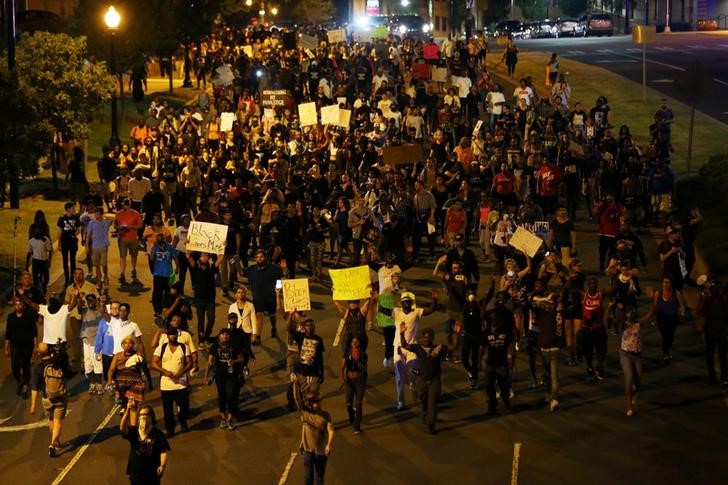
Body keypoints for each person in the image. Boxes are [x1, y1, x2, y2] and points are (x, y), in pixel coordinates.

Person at [399, 326, 461, 434]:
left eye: (429, 338)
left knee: (432, 403)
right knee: (423, 400)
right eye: (425, 338)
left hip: (434, 380)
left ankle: (431, 424)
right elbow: (404, 345)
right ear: (422, 338)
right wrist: (401, 334)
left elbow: (453, 347)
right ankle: (424, 411)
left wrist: (457, 334)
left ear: (432, 338)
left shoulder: (439, 348)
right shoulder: (418, 348)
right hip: (422, 380)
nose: (426, 340)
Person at [392, 291, 438, 410]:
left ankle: (413, 385)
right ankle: (400, 401)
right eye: (404, 302)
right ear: (401, 304)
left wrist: (435, 301)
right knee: (400, 377)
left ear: (411, 303)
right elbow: (384, 311)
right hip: (399, 348)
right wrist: (376, 300)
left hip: (412, 348)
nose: (406, 304)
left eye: (408, 302)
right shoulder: (396, 312)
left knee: (414, 372)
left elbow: (431, 310)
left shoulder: (417, 312)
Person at [29, 342, 73, 457]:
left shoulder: (38, 368)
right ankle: (53, 443)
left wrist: (33, 404)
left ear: (39, 352)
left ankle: (56, 442)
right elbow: (69, 374)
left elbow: (34, 387)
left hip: (47, 398)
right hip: (61, 396)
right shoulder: (58, 363)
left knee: (51, 419)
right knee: (58, 421)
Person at [151, 327, 192, 437]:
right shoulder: (161, 348)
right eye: (170, 334)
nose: (172, 336)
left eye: (174, 334)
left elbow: (189, 363)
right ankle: (170, 429)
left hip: (181, 383)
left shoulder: (184, 347)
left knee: (184, 406)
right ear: (167, 336)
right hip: (166, 384)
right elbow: (153, 363)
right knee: (167, 410)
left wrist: (181, 372)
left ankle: (182, 421)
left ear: (177, 335)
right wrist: (164, 371)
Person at [292, 379, 334, 485]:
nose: (317, 403)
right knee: (308, 478)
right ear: (310, 403)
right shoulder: (305, 412)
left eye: (318, 400)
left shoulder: (326, 415)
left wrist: (328, 445)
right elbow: (297, 398)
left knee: (319, 478)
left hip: (321, 451)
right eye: (315, 401)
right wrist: (295, 384)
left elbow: (331, 430)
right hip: (308, 452)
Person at [205, 328, 248, 430]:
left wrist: (234, 361)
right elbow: (210, 362)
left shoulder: (234, 346)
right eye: (223, 334)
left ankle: (230, 418)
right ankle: (223, 418)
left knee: (231, 395)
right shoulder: (215, 347)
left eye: (227, 334)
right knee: (222, 396)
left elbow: (241, 358)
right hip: (219, 375)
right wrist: (206, 376)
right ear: (219, 336)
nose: (225, 336)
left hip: (231, 375)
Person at [120, 402, 170, 485]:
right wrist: (128, 410)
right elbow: (122, 428)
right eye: (140, 415)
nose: (142, 417)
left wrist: (162, 465)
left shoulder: (158, 434)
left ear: (151, 416)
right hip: (136, 473)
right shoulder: (135, 432)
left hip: (152, 473)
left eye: (145, 414)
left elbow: (163, 451)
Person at [643, 277, 685, 363]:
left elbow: (682, 305)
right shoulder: (658, 293)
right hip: (661, 318)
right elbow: (654, 307)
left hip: (673, 318)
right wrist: (653, 318)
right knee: (665, 335)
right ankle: (666, 351)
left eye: (668, 282)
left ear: (671, 283)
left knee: (670, 335)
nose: (666, 284)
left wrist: (682, 312)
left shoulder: (676, 293)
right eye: (664, 282)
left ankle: (667, 349)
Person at [243, 250, 283, 340]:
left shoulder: (274, 268)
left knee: (272, 315)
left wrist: (278, 290)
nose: (259, 259)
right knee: (259, 315)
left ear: (266, 258)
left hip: (270, 297)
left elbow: (279, 279)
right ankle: (258, 336)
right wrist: (236, 261)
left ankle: (273, 327)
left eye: (261, 257)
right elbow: (242, 273)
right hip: (258, 298)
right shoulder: (252, 269)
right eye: (257, 257)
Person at [109, 335, 150, 421]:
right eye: (126, 343)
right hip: (121, 385)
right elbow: (111, 370)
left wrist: (149, 381)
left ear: (133, 344)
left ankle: (133, 424)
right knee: (125, 404)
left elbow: (145, 368)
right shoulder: (117, 356)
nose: (128, 345)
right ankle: (126, 420)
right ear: (122, 345)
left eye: (130, 343)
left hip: (134, 385)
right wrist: (110, 381)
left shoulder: (138, 355)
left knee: (132, 405)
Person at [696, 277, 728, 386]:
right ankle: (712, 376)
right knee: (711, 355)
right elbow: (699, 311)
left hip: (721, 332)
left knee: (722, 356)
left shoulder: (724, 300)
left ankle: (724, 377)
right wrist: (703, 298)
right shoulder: (708, 298)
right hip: (710, 332)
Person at [620, 307, 652, 417]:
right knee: (629, 378)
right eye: (628, 312)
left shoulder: (639, 324)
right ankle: (629, 406)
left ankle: (634, 391)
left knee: (638, 380)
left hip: (637, 355)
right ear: (625, 314)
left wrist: (653, 299)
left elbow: (650, 314)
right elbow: (614, 322)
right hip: (626, 354)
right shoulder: (622, 324)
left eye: (632, 311)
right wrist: (611, 307)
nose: (631, 313)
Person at [5, 297, 38, 398]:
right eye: (16, 304)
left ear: (23, 305)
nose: (18, 306)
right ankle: (19, 380)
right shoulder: (10, 317)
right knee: (15, 365)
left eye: (20, 304)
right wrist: (6, 348)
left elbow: (34, 332)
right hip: (15, 345)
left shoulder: (29, 316)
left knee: (25, 365)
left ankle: (25, 386)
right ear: (14, 306)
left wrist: (35, 346)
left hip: (27, 345)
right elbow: (8, 334)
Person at [289, 317, 325, 403]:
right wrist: (291, 316)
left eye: (311, 325)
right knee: (304, 397)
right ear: (304, 327)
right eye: (307, 325)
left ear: (314, 327)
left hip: (314, 372)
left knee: (313, 396)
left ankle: (314, 412)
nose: (309, 327)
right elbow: (290, 329)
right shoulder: (300, 337)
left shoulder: (318, 339)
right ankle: (308, 415)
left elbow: (320, 357)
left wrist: (322, 373)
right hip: (302, 372)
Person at [340, 336, 367, 434]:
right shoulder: (347, 353)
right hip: (349, 381)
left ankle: (357, 426)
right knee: (348, 404)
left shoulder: (363, 354)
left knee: (358, 403)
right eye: (353, 342)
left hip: (360, 380)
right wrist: (342, 379)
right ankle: (351, 414)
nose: (355, 343)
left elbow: (364, 369)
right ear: (351, 343)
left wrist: (357, 361)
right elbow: (342, 366)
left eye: (357, 342)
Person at [114, 198, 144, 284]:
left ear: (130, 205)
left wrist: (131, 227)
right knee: (122, 256)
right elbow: (115, 225)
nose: (124, 207)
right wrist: (119, 227)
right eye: (123, 205)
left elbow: (140, 226)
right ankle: (122, 273)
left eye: (126, 205)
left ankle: (133, 269)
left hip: (133, 238)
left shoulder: (135, 214)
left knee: (134, 255)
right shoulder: (118, 214)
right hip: (122, 238)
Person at [149, 232, 178, 319]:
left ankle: (167, 309)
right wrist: (154, 249)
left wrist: (177, 267)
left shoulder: (170, 247)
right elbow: (151, 259)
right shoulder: (154, 247)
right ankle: (157, 310)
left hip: (168, 274)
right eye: (158, 238)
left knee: (168, 293)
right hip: (158, 274)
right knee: (157, 293)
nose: (160, 240)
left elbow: (175, 257)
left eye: (162, 238)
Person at [85, 207, 113, 291]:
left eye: (97, 214)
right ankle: (99, 281)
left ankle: (106, 277)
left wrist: (105, 216)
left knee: (104, 264)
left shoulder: (106, 222)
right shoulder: (92, 223)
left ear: (101, 214)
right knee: (97, 265)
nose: (96, 215)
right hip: (95, 246)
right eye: (95, 213)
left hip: (104, 246)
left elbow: (114, 217)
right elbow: (88, 235)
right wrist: (87, 246)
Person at [56, 202, 82, 287]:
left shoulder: (76, 218)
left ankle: (72, 278)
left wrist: (76, 233)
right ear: (68, 209)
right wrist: (59, 243)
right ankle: (67, 278)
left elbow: (79, 228)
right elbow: (59, 231)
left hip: (73, 241)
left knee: (73, 260)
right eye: (72, 208)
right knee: (65, 261)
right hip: (65, 241)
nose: (74, 209)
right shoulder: (61, 218)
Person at [26, 225, 53, 295]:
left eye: (39, 231)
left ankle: (44, 285)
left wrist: (49, 262)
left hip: (44, 261)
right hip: (35, 261)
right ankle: (37, 292)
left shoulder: (45, 240)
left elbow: (50, 251)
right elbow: (29, 252)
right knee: (35, 278)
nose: (37, 232)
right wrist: (26, 265)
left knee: (46, 278)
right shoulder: (31, 241)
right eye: (36, 231)